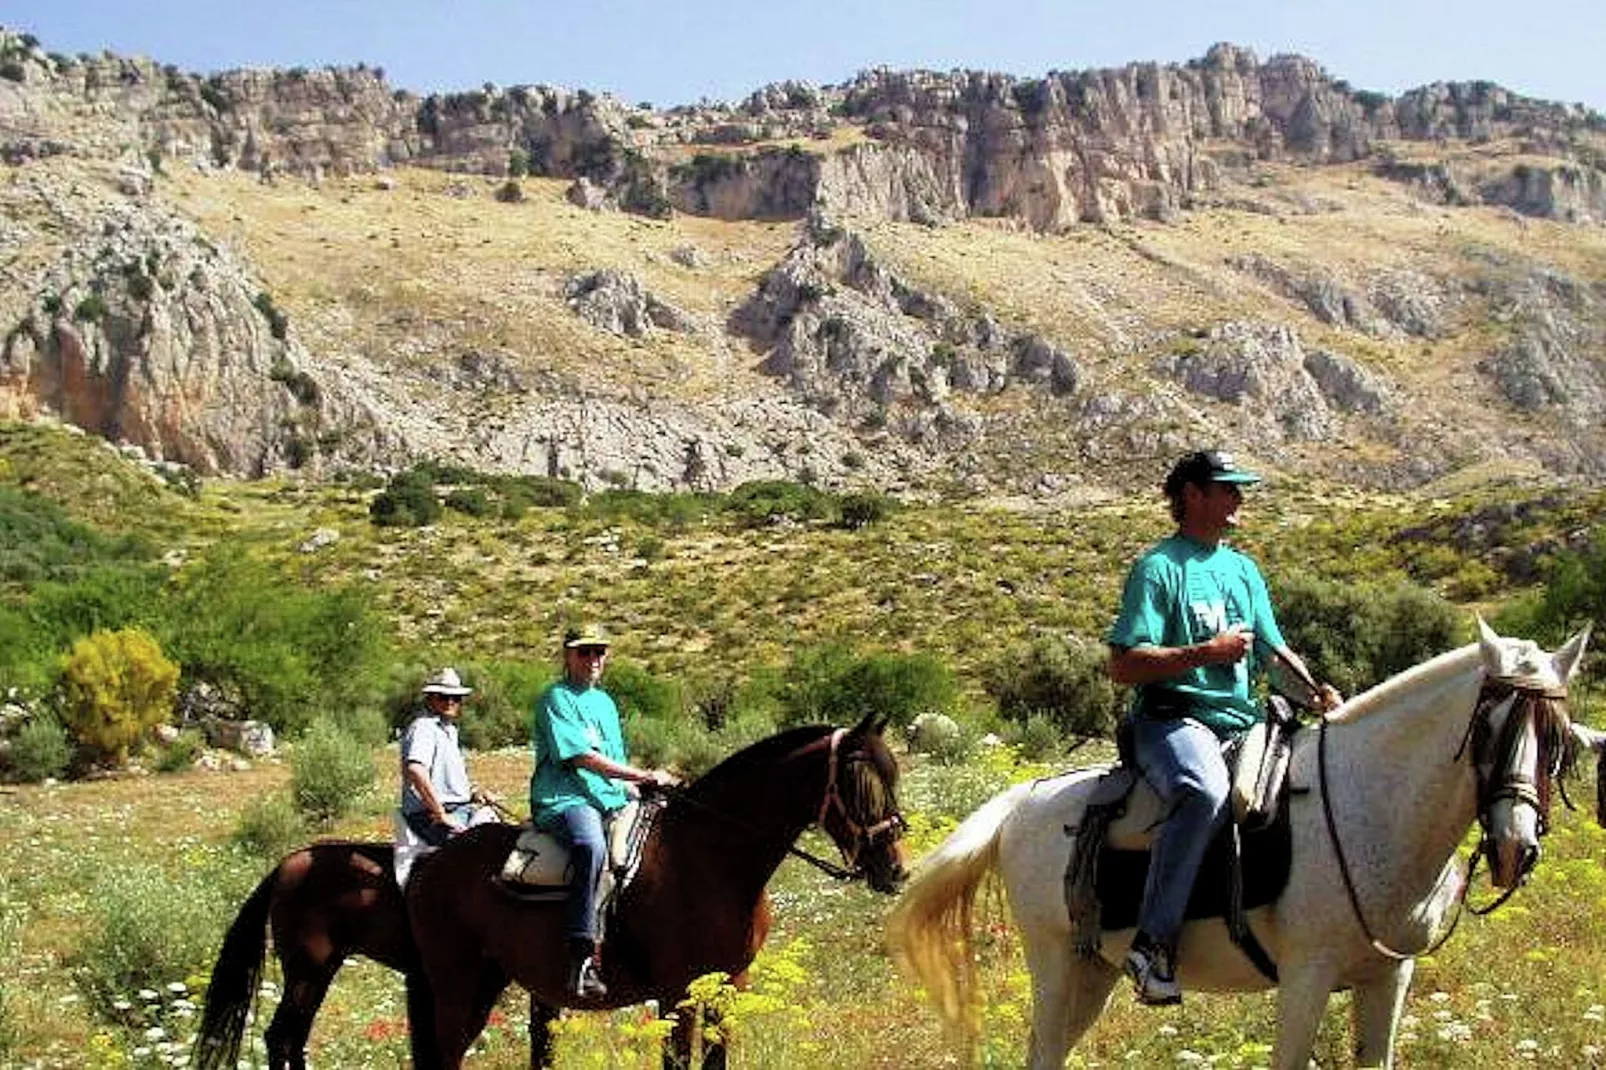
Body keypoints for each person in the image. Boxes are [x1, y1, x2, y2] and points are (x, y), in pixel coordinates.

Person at [1106, 450, 1340, 1006]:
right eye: (1227, 488)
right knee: (1203, 789)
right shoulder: (1158, 567)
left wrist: (1316, 693)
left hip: (1242, 720)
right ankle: (1152, 944)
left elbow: (1272, 650)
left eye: (1240, 489)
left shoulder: (1243, 570)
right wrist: (1205, 653)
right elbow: (1123, 665)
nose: (1239, 499)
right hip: (1172, 720)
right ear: (1192, 494)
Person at [529, 624, 678, 1000]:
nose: (593, 659)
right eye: (584, 652)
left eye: (599, 652)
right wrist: (643, 773)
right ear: (567, 656)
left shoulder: (606, 704)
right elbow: (581, 757)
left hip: (608, 797)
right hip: (565, 799)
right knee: (590, 846)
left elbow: (612, 764)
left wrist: (643, 787)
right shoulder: (556, 697)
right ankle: (582, 956)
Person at [400, 667, 495, 847]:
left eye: (456, 698)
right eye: (444, 697)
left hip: (459, 809)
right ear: (431, 698)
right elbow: (416, 770)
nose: (450, 702)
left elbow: (446, 780)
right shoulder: (423, 727)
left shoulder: (449, 730)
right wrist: (440, 814)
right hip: (429, 816)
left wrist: (475, 794)